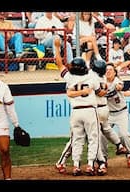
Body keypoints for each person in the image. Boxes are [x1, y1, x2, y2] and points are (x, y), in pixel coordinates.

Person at [54, 39, 107, 176]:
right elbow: (99, 92)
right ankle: (90, 164)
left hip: (76, 112)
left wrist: (57, 47)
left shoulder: (70, 77)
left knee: (77, 139)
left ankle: (76, 165)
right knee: (93, 138)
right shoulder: (92, 76)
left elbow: (59, 63)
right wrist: (107, 91)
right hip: (90, 110)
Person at [105, 63, 130, 168]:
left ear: (114, 73)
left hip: (121, 112)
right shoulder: (101, 82)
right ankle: (103, 159)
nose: (108, 71)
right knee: (102, 136)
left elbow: (120, 86)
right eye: (106, 70)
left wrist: (118, 87)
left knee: (123, 134)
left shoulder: (117, 80)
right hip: (108, 114)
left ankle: (129, 154)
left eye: (110, 70)